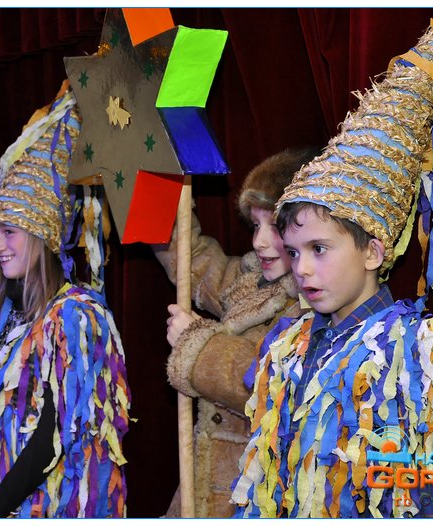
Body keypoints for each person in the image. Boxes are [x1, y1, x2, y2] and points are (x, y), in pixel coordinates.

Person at [230, 11, 433, 518]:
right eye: (294, 252)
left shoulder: (423, 353)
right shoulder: (285, 349)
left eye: (319, 249)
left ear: (372, 251)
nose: (302, 269)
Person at [0, 85, 131, 518]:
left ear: (41, 234)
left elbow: (58, 430)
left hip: (34, 508)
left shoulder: (76, 315)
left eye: (10, 232)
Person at [153, 147, 315, 517]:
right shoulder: (252, 282)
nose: (259, 241)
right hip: (205, 493)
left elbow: (271, 386)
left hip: (255, 500)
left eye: (274, 227)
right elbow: (194, 261)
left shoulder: (316, 304)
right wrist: (158, 191)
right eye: (256, 226)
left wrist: (198, 344)